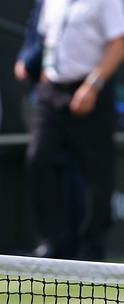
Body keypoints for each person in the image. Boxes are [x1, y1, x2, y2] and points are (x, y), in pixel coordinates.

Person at [26, 0, 124, 260]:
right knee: (39, 158)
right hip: (52, 90)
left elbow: (118, 42)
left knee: (96, 173)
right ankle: (53, 243)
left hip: (93, 89)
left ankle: (92, 248)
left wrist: (93, 85)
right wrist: (47, 73)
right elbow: (48, 38)